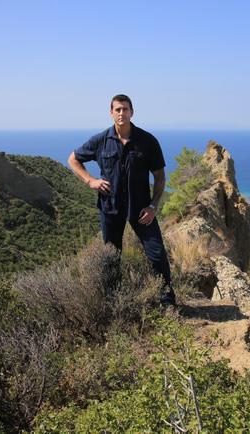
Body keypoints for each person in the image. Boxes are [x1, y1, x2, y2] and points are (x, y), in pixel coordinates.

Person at [68, 94, 175, 306]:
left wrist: (153, 206)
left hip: (141, 209)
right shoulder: (100, 141)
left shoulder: (147, 141)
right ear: (111, 113)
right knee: (111, 258)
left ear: (132, 112)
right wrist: (90, 181)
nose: (121, 113)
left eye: (125, 109)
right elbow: (73, 159)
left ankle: (167, 301)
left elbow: (160, 176)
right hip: (110, 208)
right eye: (117, 109)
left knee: (157, 254)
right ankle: (113, 301)